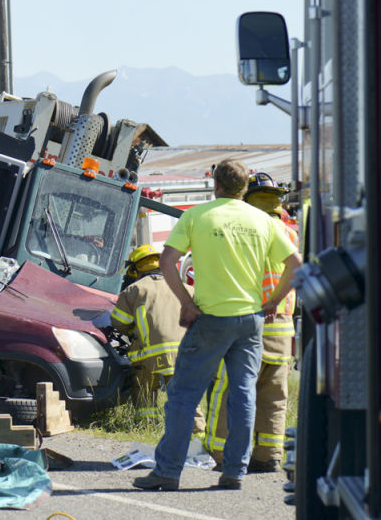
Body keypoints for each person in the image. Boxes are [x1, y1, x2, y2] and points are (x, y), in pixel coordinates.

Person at [133, 159, 301, 491]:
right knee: (243, 394)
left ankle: (168, 471)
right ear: (244, 187)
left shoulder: (198, 216)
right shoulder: (263, 220)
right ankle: (235, 472)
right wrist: (273, 301)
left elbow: (167, 261)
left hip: (210, 319)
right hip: (250, 321)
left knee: (183, 394)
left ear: (216, 184)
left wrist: (186, 302)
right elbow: (295, 263)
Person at [203, 173, 300, 473]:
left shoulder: (244, 230)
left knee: (229, 391)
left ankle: (222, 454)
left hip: (247, 323)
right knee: (274, 394)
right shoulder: (290, 234)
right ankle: (268, 455)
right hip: (283, 326)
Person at [111, 245, 200, 430]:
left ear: (135, 269)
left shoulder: (134, 290)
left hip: (148, 354)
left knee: (143, 384)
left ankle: (146, 425)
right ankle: (196, 430)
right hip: (183, 353)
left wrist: (135, 330)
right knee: (184, 393)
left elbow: (119, 322)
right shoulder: (185, 288)